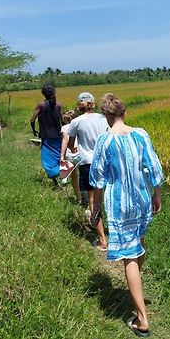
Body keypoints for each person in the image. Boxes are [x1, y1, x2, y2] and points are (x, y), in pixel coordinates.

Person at [89, 93, 163, 338]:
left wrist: (96, 207)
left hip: (119, 204)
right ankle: (136, 284)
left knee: (129, 256)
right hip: (142, 199)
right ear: (125, 112)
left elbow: (98, 178)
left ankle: (142, 319)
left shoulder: (104, 141)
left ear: (106, 116)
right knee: (138, 244)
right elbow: (154, 166)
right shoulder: (141, 134)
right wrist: (157, 195)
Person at [61, 91, 108, 251]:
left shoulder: (76, 122)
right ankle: (115, 234)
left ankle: (102, 241)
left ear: (79, 105)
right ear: (93, 103)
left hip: (88, 164)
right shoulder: (103, 118)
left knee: (93, 201)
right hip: (106, 162)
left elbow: (71, 144)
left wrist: (76, 147)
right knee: (108, 198)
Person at [30, 84, 63, 184]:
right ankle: (63, 176)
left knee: (48, 158)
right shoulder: (58, 105)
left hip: (46, 136)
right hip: (58, 134)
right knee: (59, 156)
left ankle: (55, 180)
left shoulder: (41, 105)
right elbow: (62, 120)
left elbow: (32, 120)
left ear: (43, 94)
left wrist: (34, 130)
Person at [61, 110, 86, 205]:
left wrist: (62, 155)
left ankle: (79, 198)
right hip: (80, 153)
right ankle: (86, 197)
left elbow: (65, 141)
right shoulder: (80, 126)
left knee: (74, 177)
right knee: (83, 175)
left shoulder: (64, 128)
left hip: (69, 154)